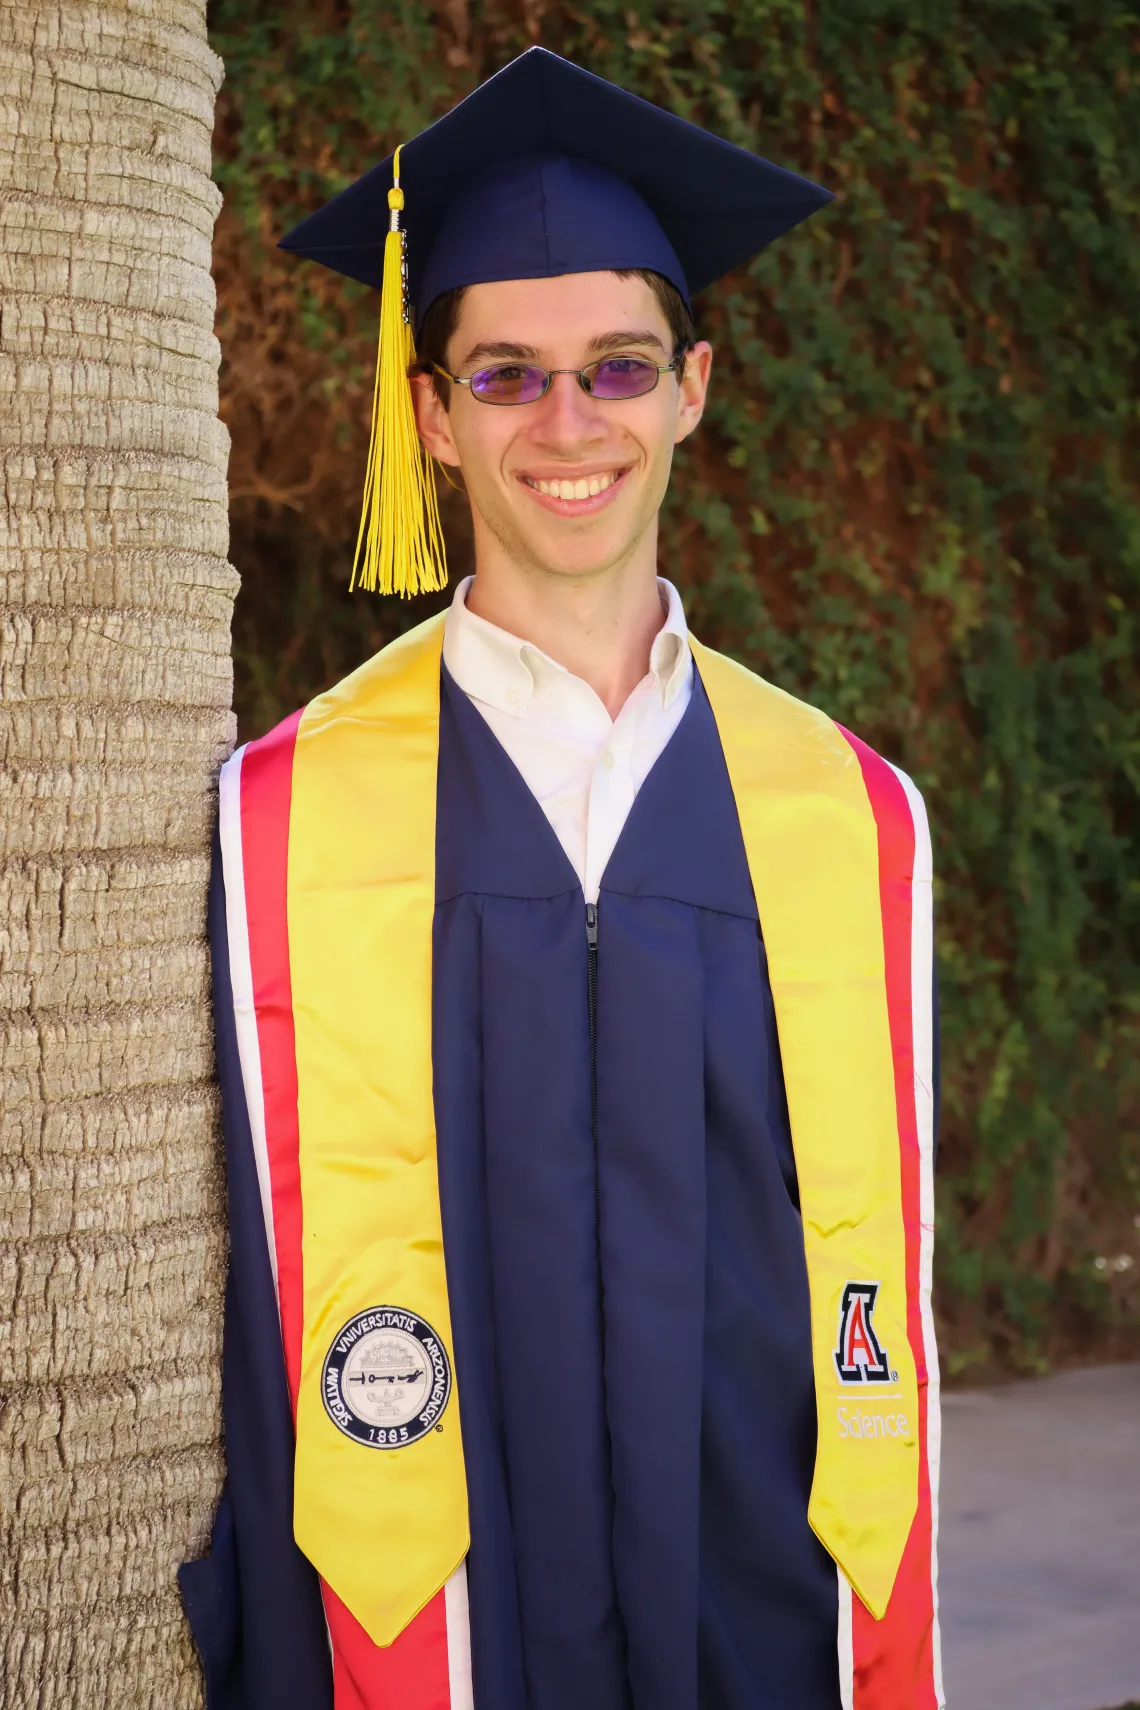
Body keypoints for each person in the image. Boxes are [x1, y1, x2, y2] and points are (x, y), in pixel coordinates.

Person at [179, 46, 942, 1710]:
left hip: (755, 1614)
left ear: (694, 388)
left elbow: (861, 1299)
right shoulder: (281, 815)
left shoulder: (844, 815)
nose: (570, 420)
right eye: (508, 376)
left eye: (617, 364)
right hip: (433, 1612)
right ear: (434, 415)